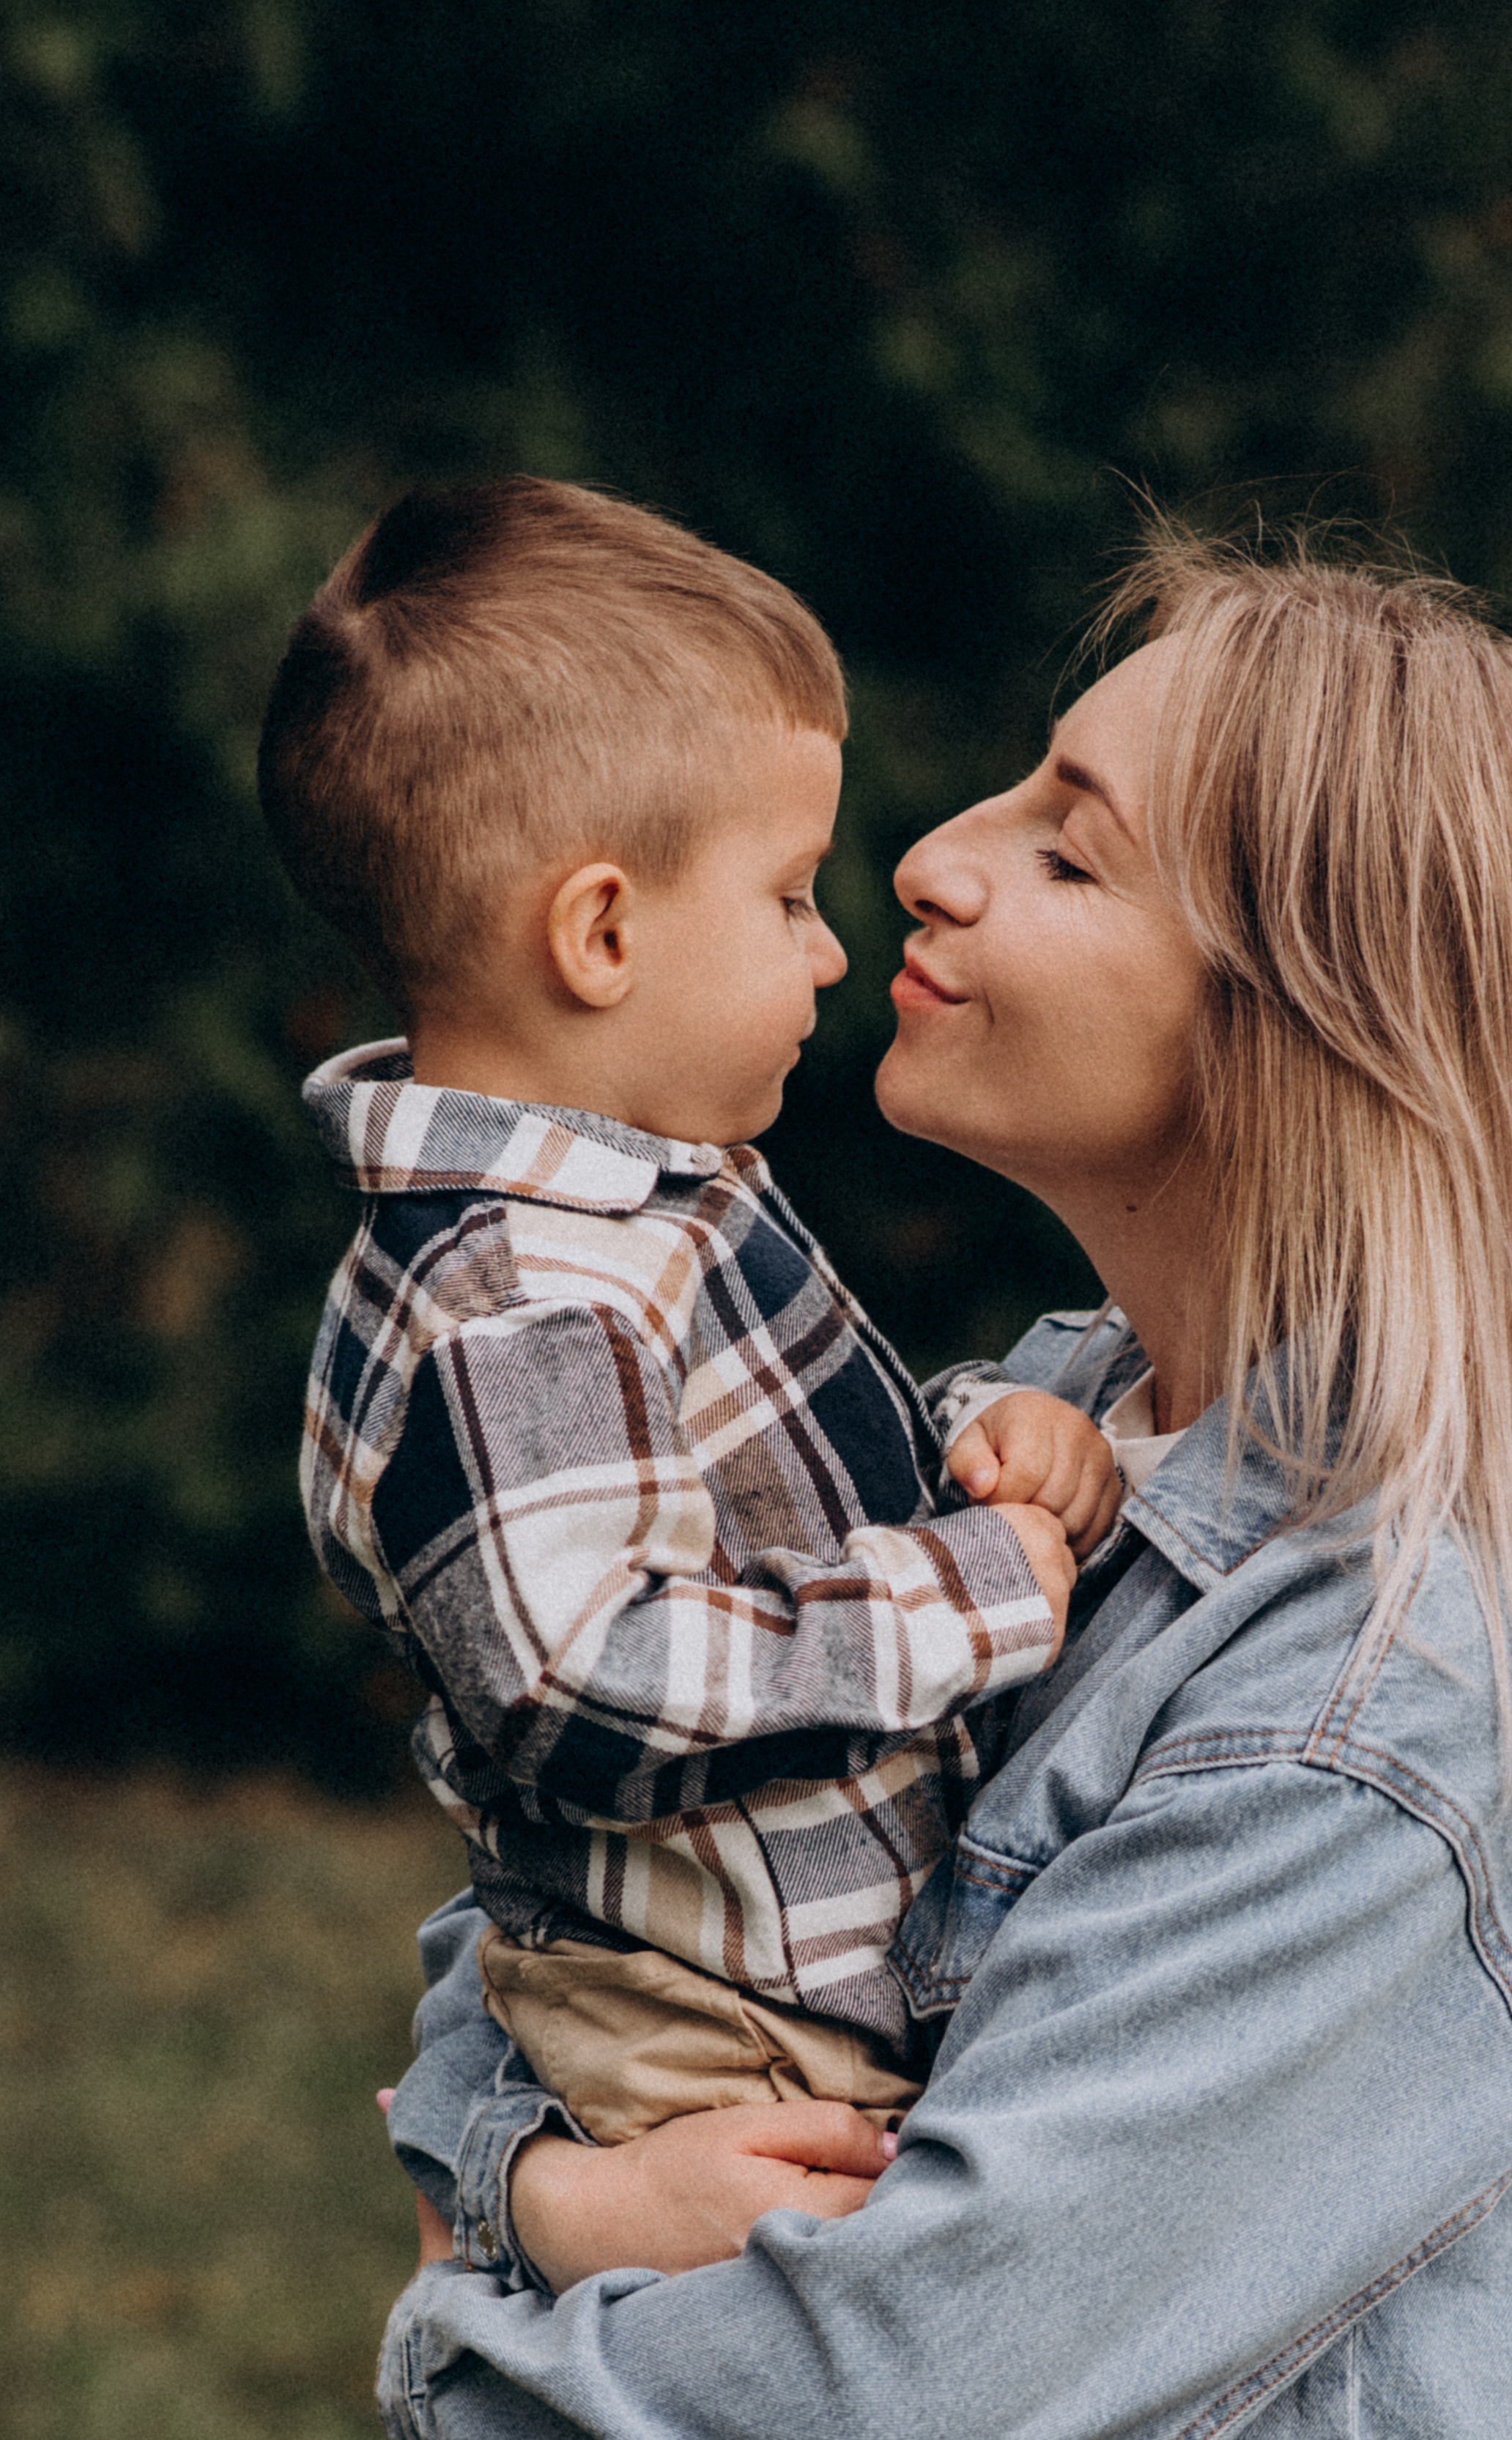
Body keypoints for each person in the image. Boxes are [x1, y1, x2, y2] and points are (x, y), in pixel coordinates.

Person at [374, 525, 1512, 2439]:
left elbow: (880, 2387)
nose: (931, 858)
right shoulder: (1042, 1429)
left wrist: (457, 2321)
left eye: (1069, 846)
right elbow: (562, 1877)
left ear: (1304, 1031)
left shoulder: (1399, 1694)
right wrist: (547, 2176)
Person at [259, 477, 1122, 2151]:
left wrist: (961, 1443)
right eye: (788, 894)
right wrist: (966, 1589)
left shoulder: (642, 1195)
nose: (825, 951)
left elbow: (752, 1492)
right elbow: (594, 1679)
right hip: (728, 2039)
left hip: (795, 1984)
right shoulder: (517, 1306)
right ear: (599, 932)